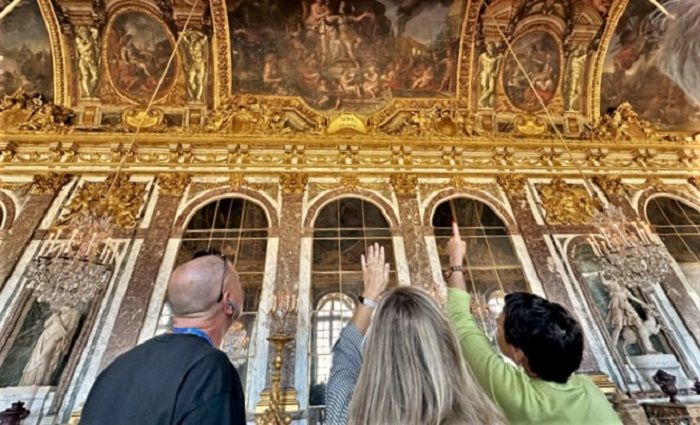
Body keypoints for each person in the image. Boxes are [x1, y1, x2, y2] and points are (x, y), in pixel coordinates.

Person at [445, 223, 621, 425]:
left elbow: (461, 322)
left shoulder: (521, 399)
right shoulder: (589, 390)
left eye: (500, 326)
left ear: (518, 353)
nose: (495, 320)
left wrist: (455, 259)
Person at [325, 244, 506, 425]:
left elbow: (346, 353)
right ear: (446, 346)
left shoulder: (347, 414)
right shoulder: (480, 418)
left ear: (375, 349)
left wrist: (370, 295)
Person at [80, 250, 246, 425]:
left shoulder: (118, 365)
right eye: (240, 285)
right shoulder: (211, 368)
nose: (241, 288)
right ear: (228, 302)